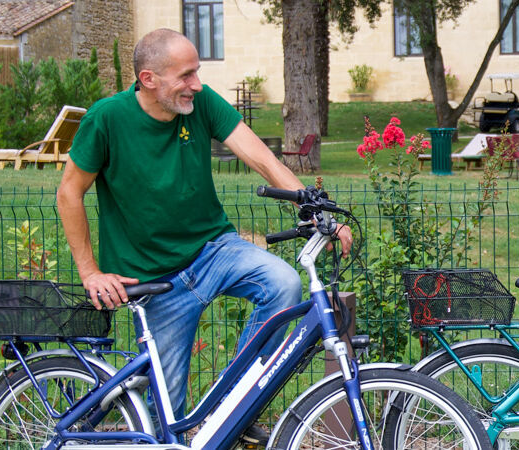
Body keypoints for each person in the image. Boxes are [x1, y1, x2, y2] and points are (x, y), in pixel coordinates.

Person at [56, 28, 352, 444]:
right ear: (148, 79)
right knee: (166, 426)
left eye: (197, 72)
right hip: (154, 282)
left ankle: (236, 406)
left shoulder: (201, 104)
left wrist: (315, 208)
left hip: (213, 250)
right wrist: (90, 273)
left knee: (282, 283)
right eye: (186, 75)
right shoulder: (107, 118)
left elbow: (261, 158)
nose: (197, 84)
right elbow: (69, 192)